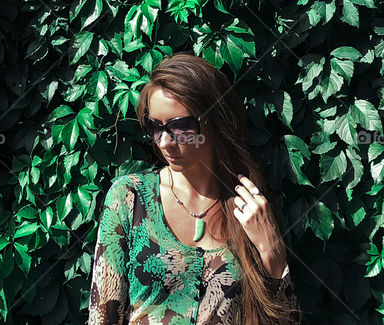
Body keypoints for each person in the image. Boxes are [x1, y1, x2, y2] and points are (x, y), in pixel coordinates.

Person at [88, 52, 303, 324]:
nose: (164, 142)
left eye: (180, 127)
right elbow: (102, 315)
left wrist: (273, 253)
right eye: (155, 127)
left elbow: (284, 320)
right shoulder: (129, 197)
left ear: (214, 121)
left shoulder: (249, 207)